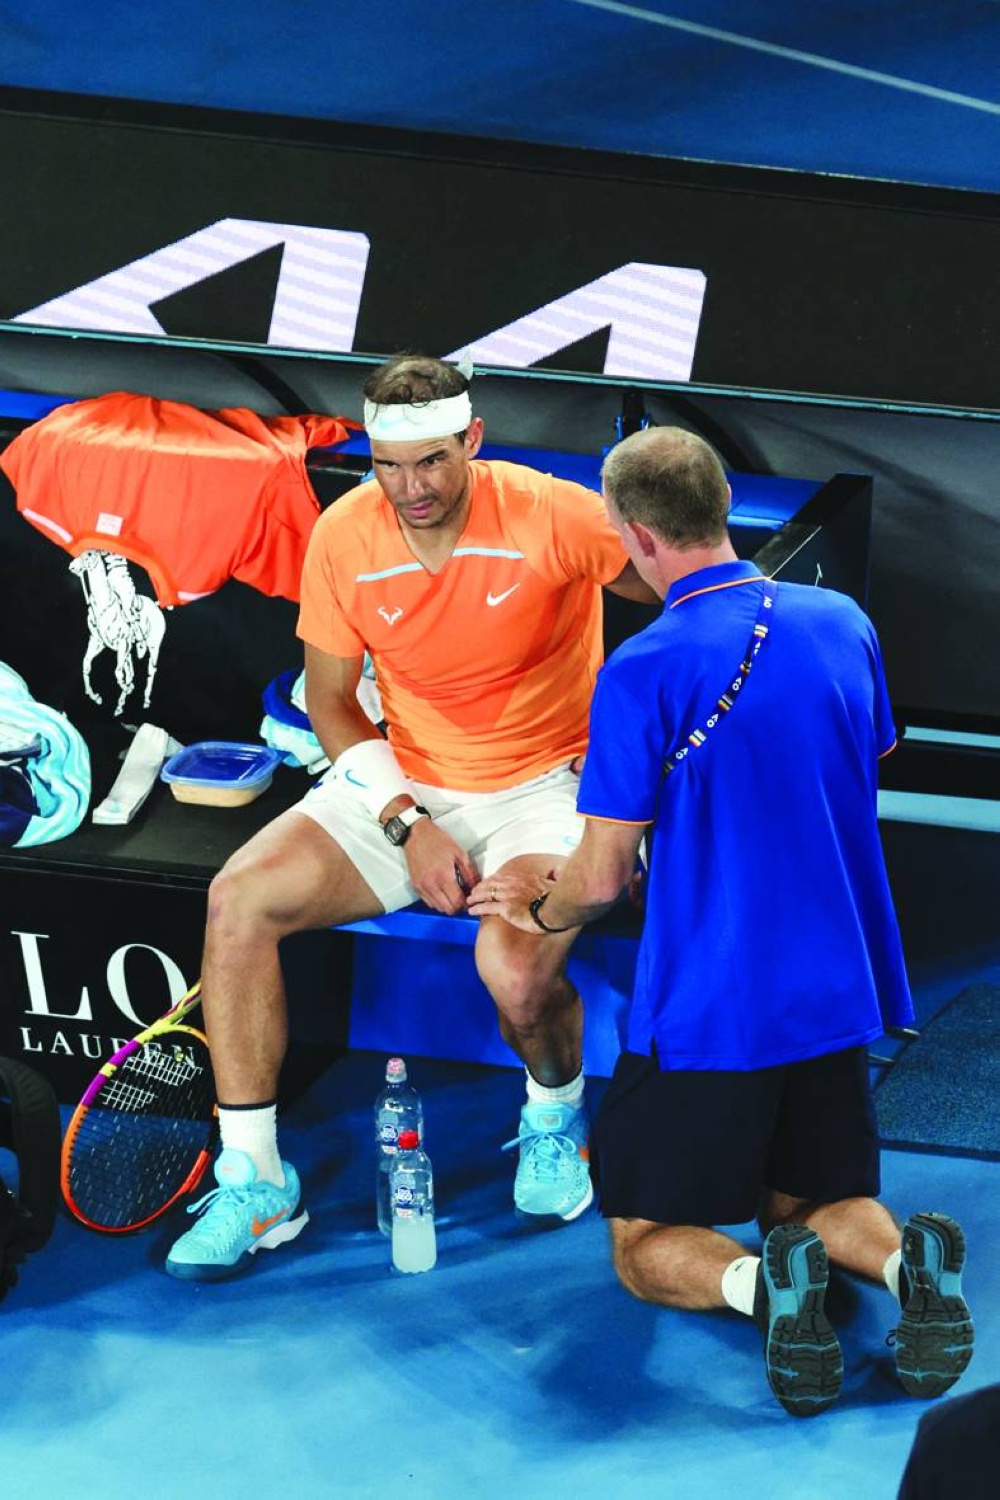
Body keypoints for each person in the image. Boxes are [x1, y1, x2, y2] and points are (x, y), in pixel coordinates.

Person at [469, 427, 975, 1416]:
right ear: (722, 507)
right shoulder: (841, 620)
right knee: (812, 1202)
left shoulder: (641, 669)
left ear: (633, 534)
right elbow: (847, 760)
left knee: (641, 1240)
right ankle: (905, 1269)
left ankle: (759, 1290)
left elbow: (601, 880)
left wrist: (537, 904)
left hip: (712, 1001)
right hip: (834, 985)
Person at [165, 353, 656, 1280]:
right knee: (239, 899)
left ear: (473, 440)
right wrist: (405, 821)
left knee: (514, 970)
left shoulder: (550, 511)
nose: (410, 488)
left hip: (546, 787)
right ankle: (257, 1180)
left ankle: (555, 1117)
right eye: (388, 465)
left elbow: (687, 591)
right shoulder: (345, 533)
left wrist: (645, 759)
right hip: (408, 784)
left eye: (431, 461)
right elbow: (331, 702)